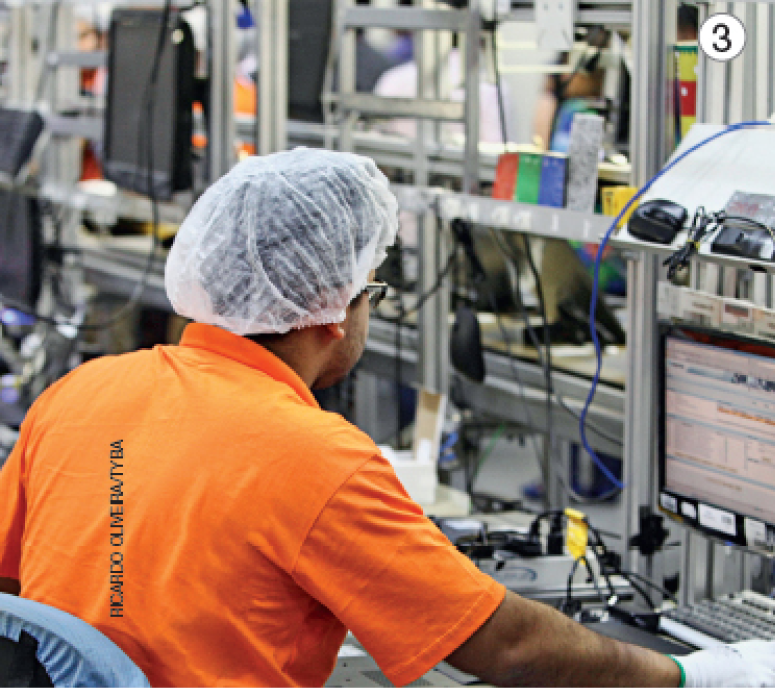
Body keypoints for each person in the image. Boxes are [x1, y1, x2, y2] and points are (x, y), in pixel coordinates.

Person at [0, 148, 773, 688]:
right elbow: (508, 650)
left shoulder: (83, 390)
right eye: (373, 289)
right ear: (332, 311)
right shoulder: (311, 457)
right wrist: (688, 672)